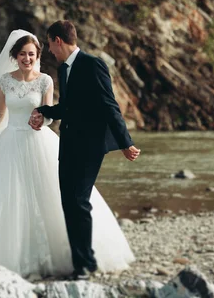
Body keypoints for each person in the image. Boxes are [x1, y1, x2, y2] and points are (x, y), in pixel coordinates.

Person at [0, 29, 134, 278]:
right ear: (15, 56)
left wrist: (42, 119)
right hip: (9, 142)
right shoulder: (5, 81)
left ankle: (77, 258)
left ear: (38, 55)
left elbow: (50, 114)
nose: (26, 58)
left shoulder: (47, 80)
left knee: (59, 198)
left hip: (38, 142)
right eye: (22, 54)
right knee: (3, 198)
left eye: (31, 54)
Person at [31, 20, 141, 280]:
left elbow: (109, 105)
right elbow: (67, 107)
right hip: (68, 143)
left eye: (49, 44)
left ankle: (84, 264)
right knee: (69, 202)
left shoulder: (93, 64)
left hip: (90, 147)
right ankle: (82, 260)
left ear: (58, 40)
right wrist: (42, 111)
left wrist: (125, 142)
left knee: (79, 202)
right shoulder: (63, 69)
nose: (49, 50)